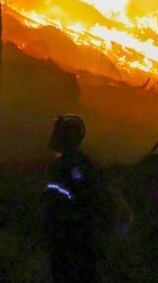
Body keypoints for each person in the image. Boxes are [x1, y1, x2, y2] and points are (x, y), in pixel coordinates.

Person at [42, 115, 112, 283]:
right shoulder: (80, 162)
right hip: (77, 230)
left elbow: (63, 197)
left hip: (70, 231)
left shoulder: (66, 165)